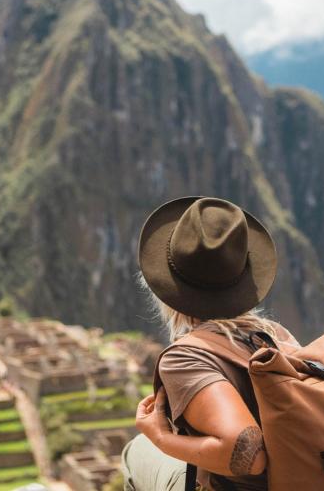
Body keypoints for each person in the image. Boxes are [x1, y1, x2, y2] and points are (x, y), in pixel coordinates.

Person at [122, 196, 299, 491]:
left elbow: (249, 454)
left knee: (136, 451)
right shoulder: (276, 335)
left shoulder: (185, 357)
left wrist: (161, 438)